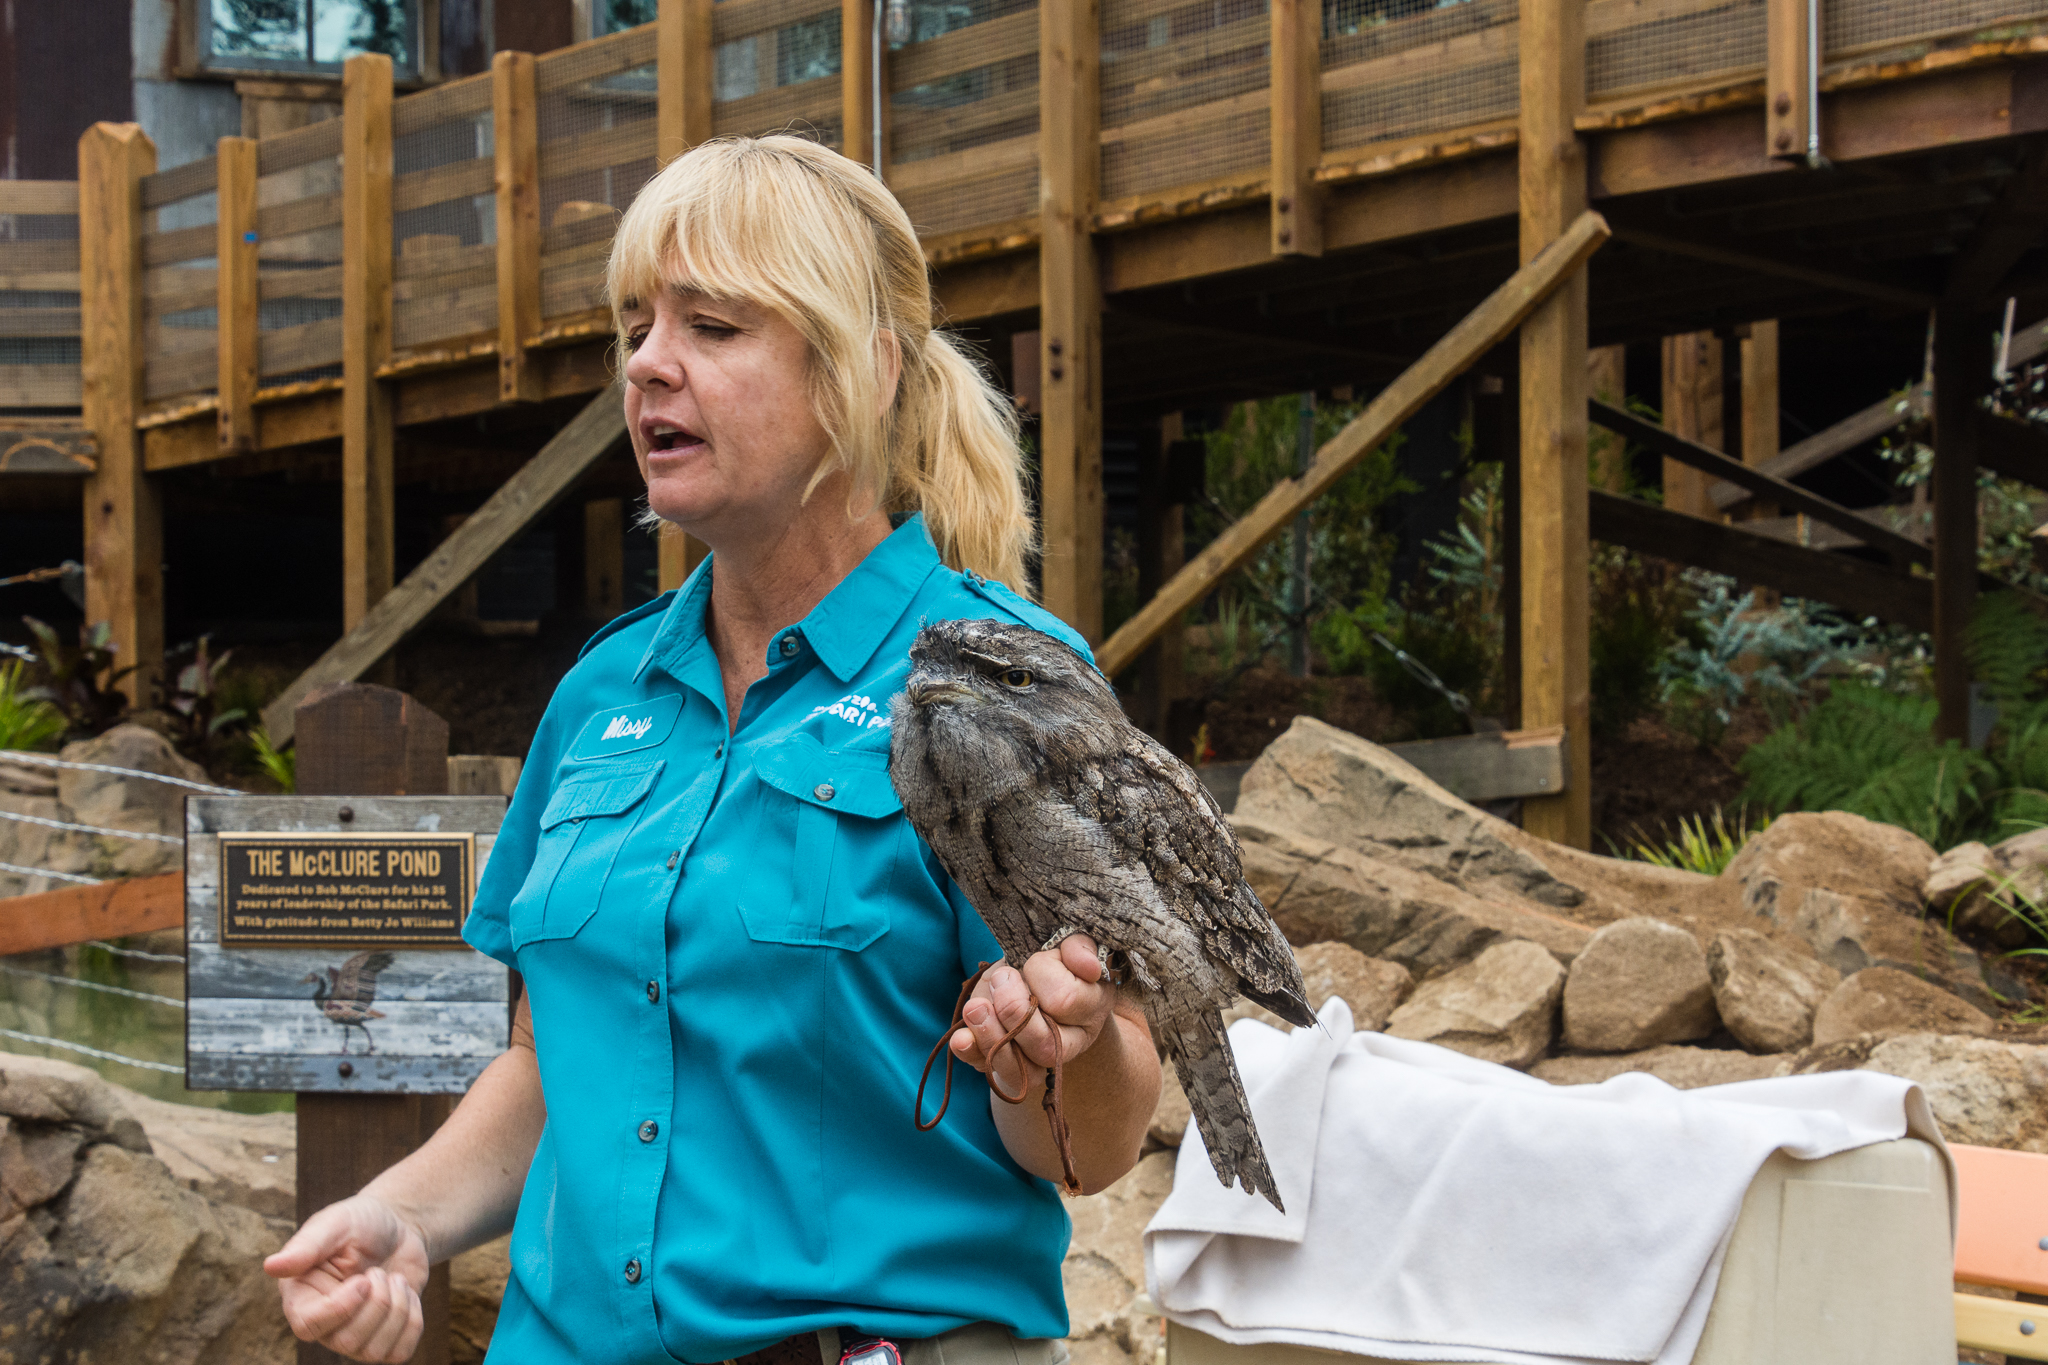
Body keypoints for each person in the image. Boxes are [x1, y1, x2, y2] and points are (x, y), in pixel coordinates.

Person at [263, 134, 1164, 1365]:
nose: (647, 366)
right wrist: (402, 1219)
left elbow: (1093, 1147)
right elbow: (550, 1066)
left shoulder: (999, 683)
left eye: (713, 327)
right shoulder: (601, 693)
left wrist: (1056, 1051)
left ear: (862, 370)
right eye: (636, 325)